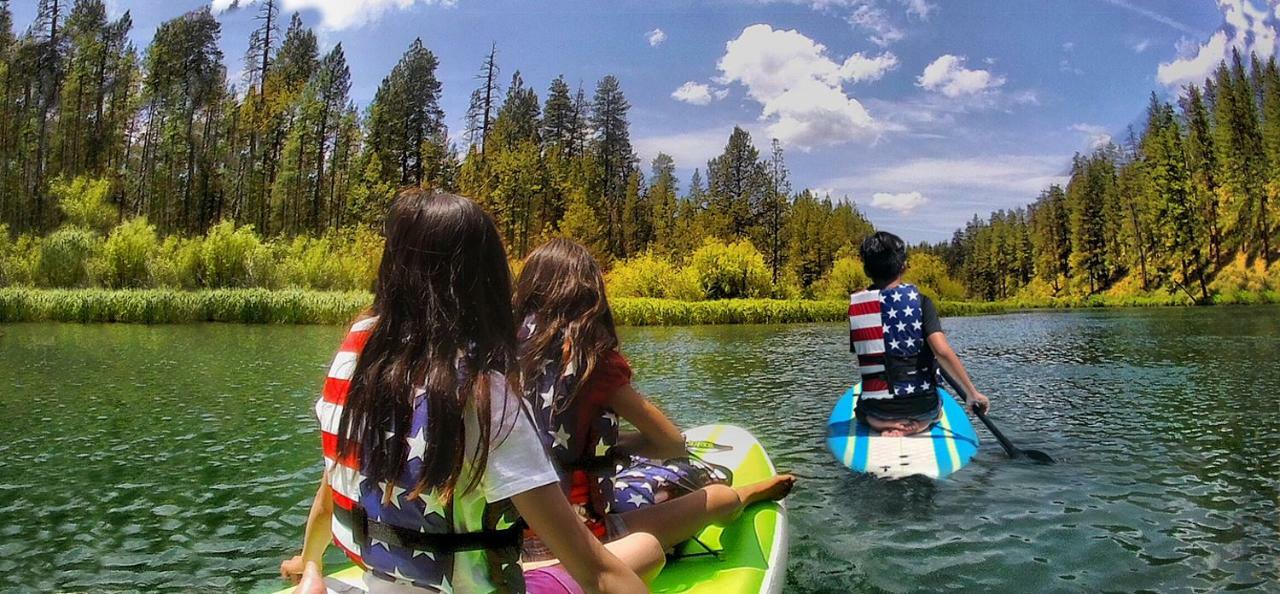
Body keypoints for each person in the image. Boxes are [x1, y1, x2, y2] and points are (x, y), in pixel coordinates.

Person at [278, 190, 650, 594]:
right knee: (647, 550)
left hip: (375, 578)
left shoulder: (354, 354)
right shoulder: (483, 393)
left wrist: (309, 560)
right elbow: (596, 573)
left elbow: (331, 485)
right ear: (485, 281)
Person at [513, 238, 796, 561]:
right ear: (591, 297)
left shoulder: (500, 356)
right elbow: (672, 443)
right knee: (717, 495)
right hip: (582, 540)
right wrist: (618, 447)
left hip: (510, 542)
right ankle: (744, 496)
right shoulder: (593, 362)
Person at [849, 231, 990, 437]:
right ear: (903, 266)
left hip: (877, 409)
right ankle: (920, 423)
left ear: (867, 270)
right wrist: (972, 393)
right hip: (922, 407)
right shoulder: (922, 302)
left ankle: (881, 423)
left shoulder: (859, 306)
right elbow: (941, 351)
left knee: (861, 411)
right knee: (936, 409)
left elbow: (866, 351)